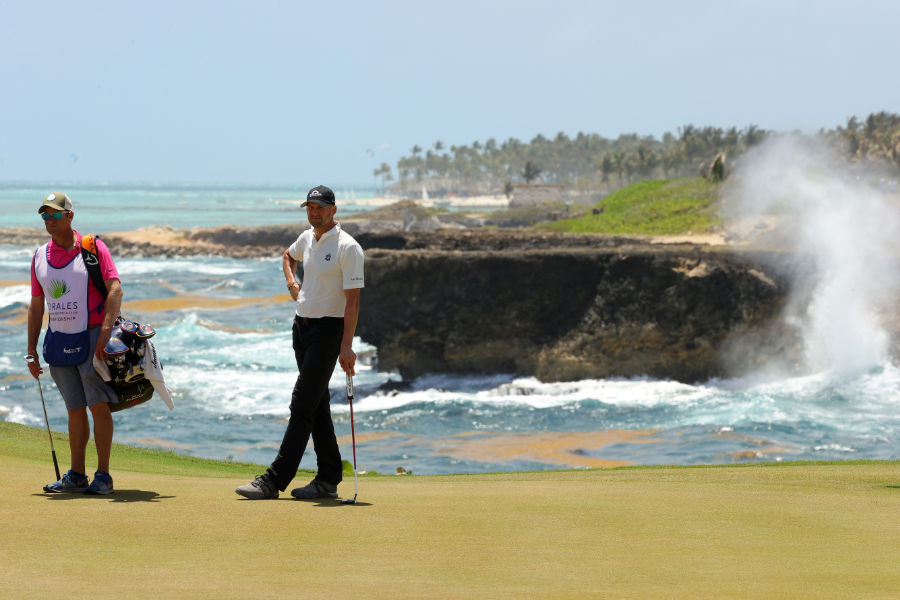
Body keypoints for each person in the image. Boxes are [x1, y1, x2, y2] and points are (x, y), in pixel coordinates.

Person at [236, 185, 364, 500]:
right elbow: (287, 257)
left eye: (319, 207)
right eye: (309, 207)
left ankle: (273, 480)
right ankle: (328, 478)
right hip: (302, 329)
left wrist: (346, 346)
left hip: (328, 332)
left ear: (334, 209)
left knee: (302, 402)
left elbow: (353, 302)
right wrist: (292, 284)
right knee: (317, 405)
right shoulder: (307, 238)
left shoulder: (348, 247)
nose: (314, 212)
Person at [27, 193, 123, 495]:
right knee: (74, 409)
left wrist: (106, 333)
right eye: (45, 216)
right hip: (58, 341)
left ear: (70, 216)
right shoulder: (40, 256)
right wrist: (31, 350)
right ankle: (77, 475)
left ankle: (104, 475)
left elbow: (115, 289)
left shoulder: (92, 249)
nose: (49, 221)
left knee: (98, 406)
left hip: (92, 336)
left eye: (55, 215)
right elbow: (36, 305)